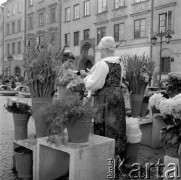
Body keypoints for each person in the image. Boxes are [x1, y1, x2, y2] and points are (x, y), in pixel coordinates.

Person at [84, 36, 127, 173]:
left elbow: (95, 84)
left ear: (104, 49)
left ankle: (104, 162)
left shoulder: (103, 64)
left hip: (105, 98)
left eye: (101, 49)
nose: (100, 51)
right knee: (117, 126)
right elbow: (119, 81)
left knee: (103, 126)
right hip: (117, 96)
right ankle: (116, 162)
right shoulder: (119, 62)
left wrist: (86, 79)